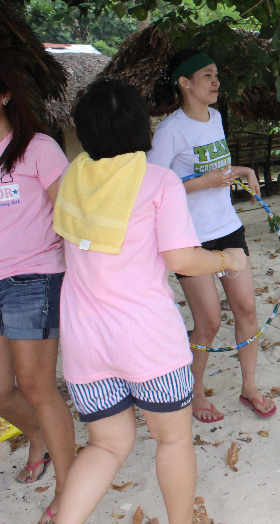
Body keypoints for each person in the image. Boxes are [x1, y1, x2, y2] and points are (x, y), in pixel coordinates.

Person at [52, 79, 248, 524]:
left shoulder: (73, 178)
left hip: (85, 343)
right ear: (142, 127)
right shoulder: (158, 180)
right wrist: (228, 259)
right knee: (173, 439)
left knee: (106, 445)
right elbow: (181, 258)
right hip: (147, 340)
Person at [148, 50, 276, 422]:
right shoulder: (170, 131)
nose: (216, 81)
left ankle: (249, 386)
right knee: (209, 322)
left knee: (247, 309)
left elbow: (216, 169)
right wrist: (202, 183)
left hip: (227, 227)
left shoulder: (216, 117)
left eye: (215, 73)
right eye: (207, 75)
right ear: (185, 83)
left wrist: (243, 169)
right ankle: (195, 392)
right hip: (190, 238)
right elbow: (152, 187)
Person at [0, 62, 75, 524]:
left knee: (35, 386)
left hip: (34, 277)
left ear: (5, 95)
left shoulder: (37, 149)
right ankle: (39, 437)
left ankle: (69, 487)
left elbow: (69, 217)